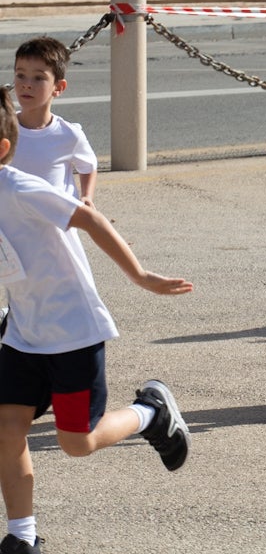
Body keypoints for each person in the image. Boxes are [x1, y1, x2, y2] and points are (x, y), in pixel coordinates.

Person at [0, 86, 192, 554]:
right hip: (23, 334)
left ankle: (150, 412)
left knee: (76, 443)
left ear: (1, 149)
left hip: (72, 334)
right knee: (6, 429)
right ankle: (22, 536)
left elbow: (90, 219)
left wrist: (141, 276)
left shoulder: (19, 188)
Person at [10, 37, 97, 205]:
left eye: (38, 78)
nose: (27, 84)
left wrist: (87, 196)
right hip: (14, 219)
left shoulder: (69, 135)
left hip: (57, 219)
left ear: (58, 87)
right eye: (20, 75)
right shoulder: (4, 128)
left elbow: (88, 166)